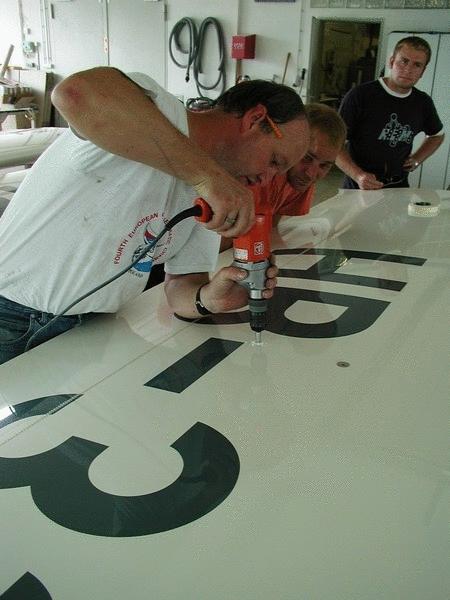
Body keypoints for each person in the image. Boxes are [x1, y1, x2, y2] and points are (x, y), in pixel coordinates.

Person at [0, 68, 310, 365]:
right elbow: (74, 93)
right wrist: (206, 177)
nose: (267, 180)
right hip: (10, 314)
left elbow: (182, 284)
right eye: (274, 161)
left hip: (92, 328)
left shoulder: (214, 193)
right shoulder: (158, 110)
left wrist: (210, 299)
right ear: (256, 119)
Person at [219, 102, 346, 252]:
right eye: (307, 158)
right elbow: (219, 241)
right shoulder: (255, 173)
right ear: (294, 145)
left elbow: (270, 228)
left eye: (324, 165)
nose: (311, 174)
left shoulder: (301, 179)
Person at [335, 36, 444, 190]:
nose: (408, 70)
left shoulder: (422, 102)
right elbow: (334, 144)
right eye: (404, 61)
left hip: (399, 187)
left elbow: (437, 135)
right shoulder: (360, 96)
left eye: (417, 65)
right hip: (359, 187)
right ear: (392, 61)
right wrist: (358, 175)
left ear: (422, 71)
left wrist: (416, 159)